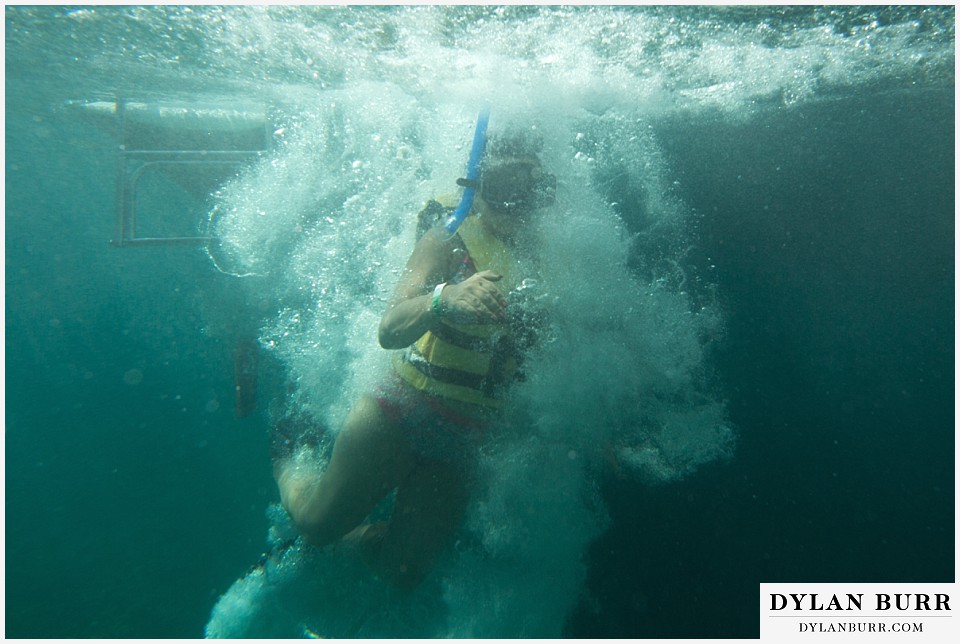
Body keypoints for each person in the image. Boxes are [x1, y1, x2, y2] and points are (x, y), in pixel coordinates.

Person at [271, 124, 557, 590]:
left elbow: (565, 358)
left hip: (466, 438)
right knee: (317, 523)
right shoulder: (446, 239)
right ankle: (289, 458)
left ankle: (357, 539)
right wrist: (444, 299)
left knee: (400, 576)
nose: (514, 204)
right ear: (477, 188)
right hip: (402, 410)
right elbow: (389, 330)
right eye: (503, 187)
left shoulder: (556, 257)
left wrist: (594, 429)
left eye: (528, 189)